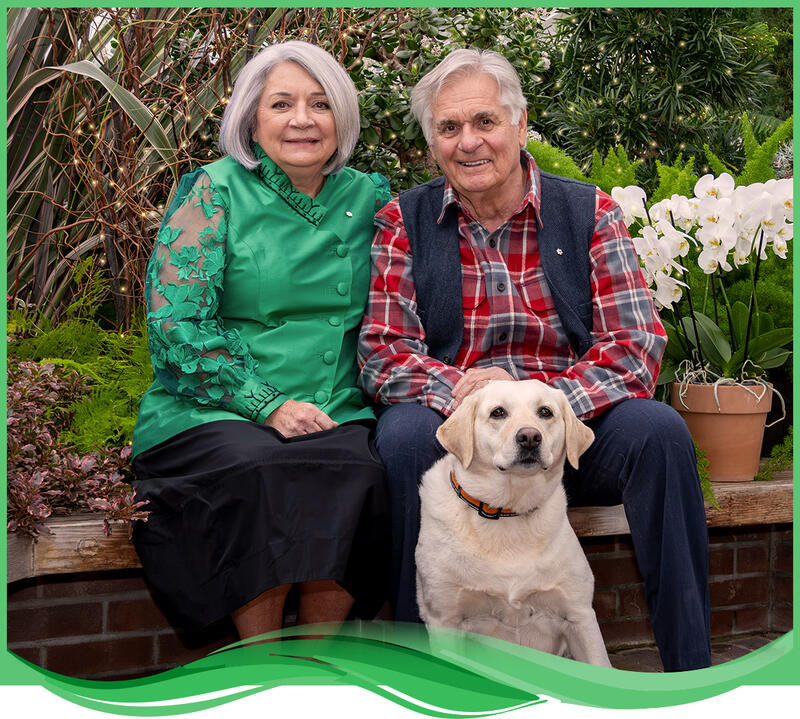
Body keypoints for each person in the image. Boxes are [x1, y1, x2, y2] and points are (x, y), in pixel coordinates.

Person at [357, 48, 711, 671]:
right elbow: (384, 354)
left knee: (659, 432)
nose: (469, 142)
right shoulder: (402, 222)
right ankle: (429, 677)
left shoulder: (589, 212)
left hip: (575, 426)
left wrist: (543, 412)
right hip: (467, 439)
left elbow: (635, 345)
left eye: (485, 122)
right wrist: (467, 396)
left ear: (521, 127)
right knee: (406, 435)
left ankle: (691, 673)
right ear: (433, 143)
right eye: (449, 128)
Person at [131, 40, 391, 640]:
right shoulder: (212, 192)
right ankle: (261, 664)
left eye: (321, 104)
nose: (303, 119)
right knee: (259, 470)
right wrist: (267, 405)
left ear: (342, 119)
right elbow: (176, 327)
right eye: (282, 103)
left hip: (333, 406)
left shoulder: (370, 198)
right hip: (213, 407)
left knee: (361, 476)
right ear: (252, 118)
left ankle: (316, 664)